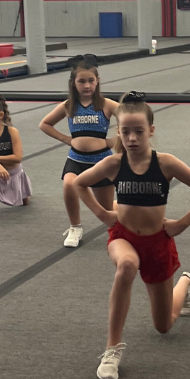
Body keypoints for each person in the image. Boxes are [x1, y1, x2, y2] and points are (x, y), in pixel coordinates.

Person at [74, 93, 190, 379]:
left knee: (163, 326)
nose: (131, 138)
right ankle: (112, 349)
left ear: (151, 131)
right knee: (126, 266)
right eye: (125, 132)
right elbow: (79, 182)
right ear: (118, 132)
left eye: (138, 131)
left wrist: (182, 224)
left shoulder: (165, 163)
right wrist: (102, 214)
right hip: (123, 237)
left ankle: (185, 283)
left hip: (158, 244)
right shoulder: (114, 164)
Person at [39, 55, 120, 247]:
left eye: (91, 81)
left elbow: (132, 118)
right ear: (73, 83)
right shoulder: (69, 106)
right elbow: (45, 124)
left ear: (97, 81)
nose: (87, 85)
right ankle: (75, 226)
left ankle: (131, 212)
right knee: (69, 184)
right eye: (81, 81)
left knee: (107, 207)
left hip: (101, 161)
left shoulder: (106, 104)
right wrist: (67, 140)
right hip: (76, 158)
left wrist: (114, 141)